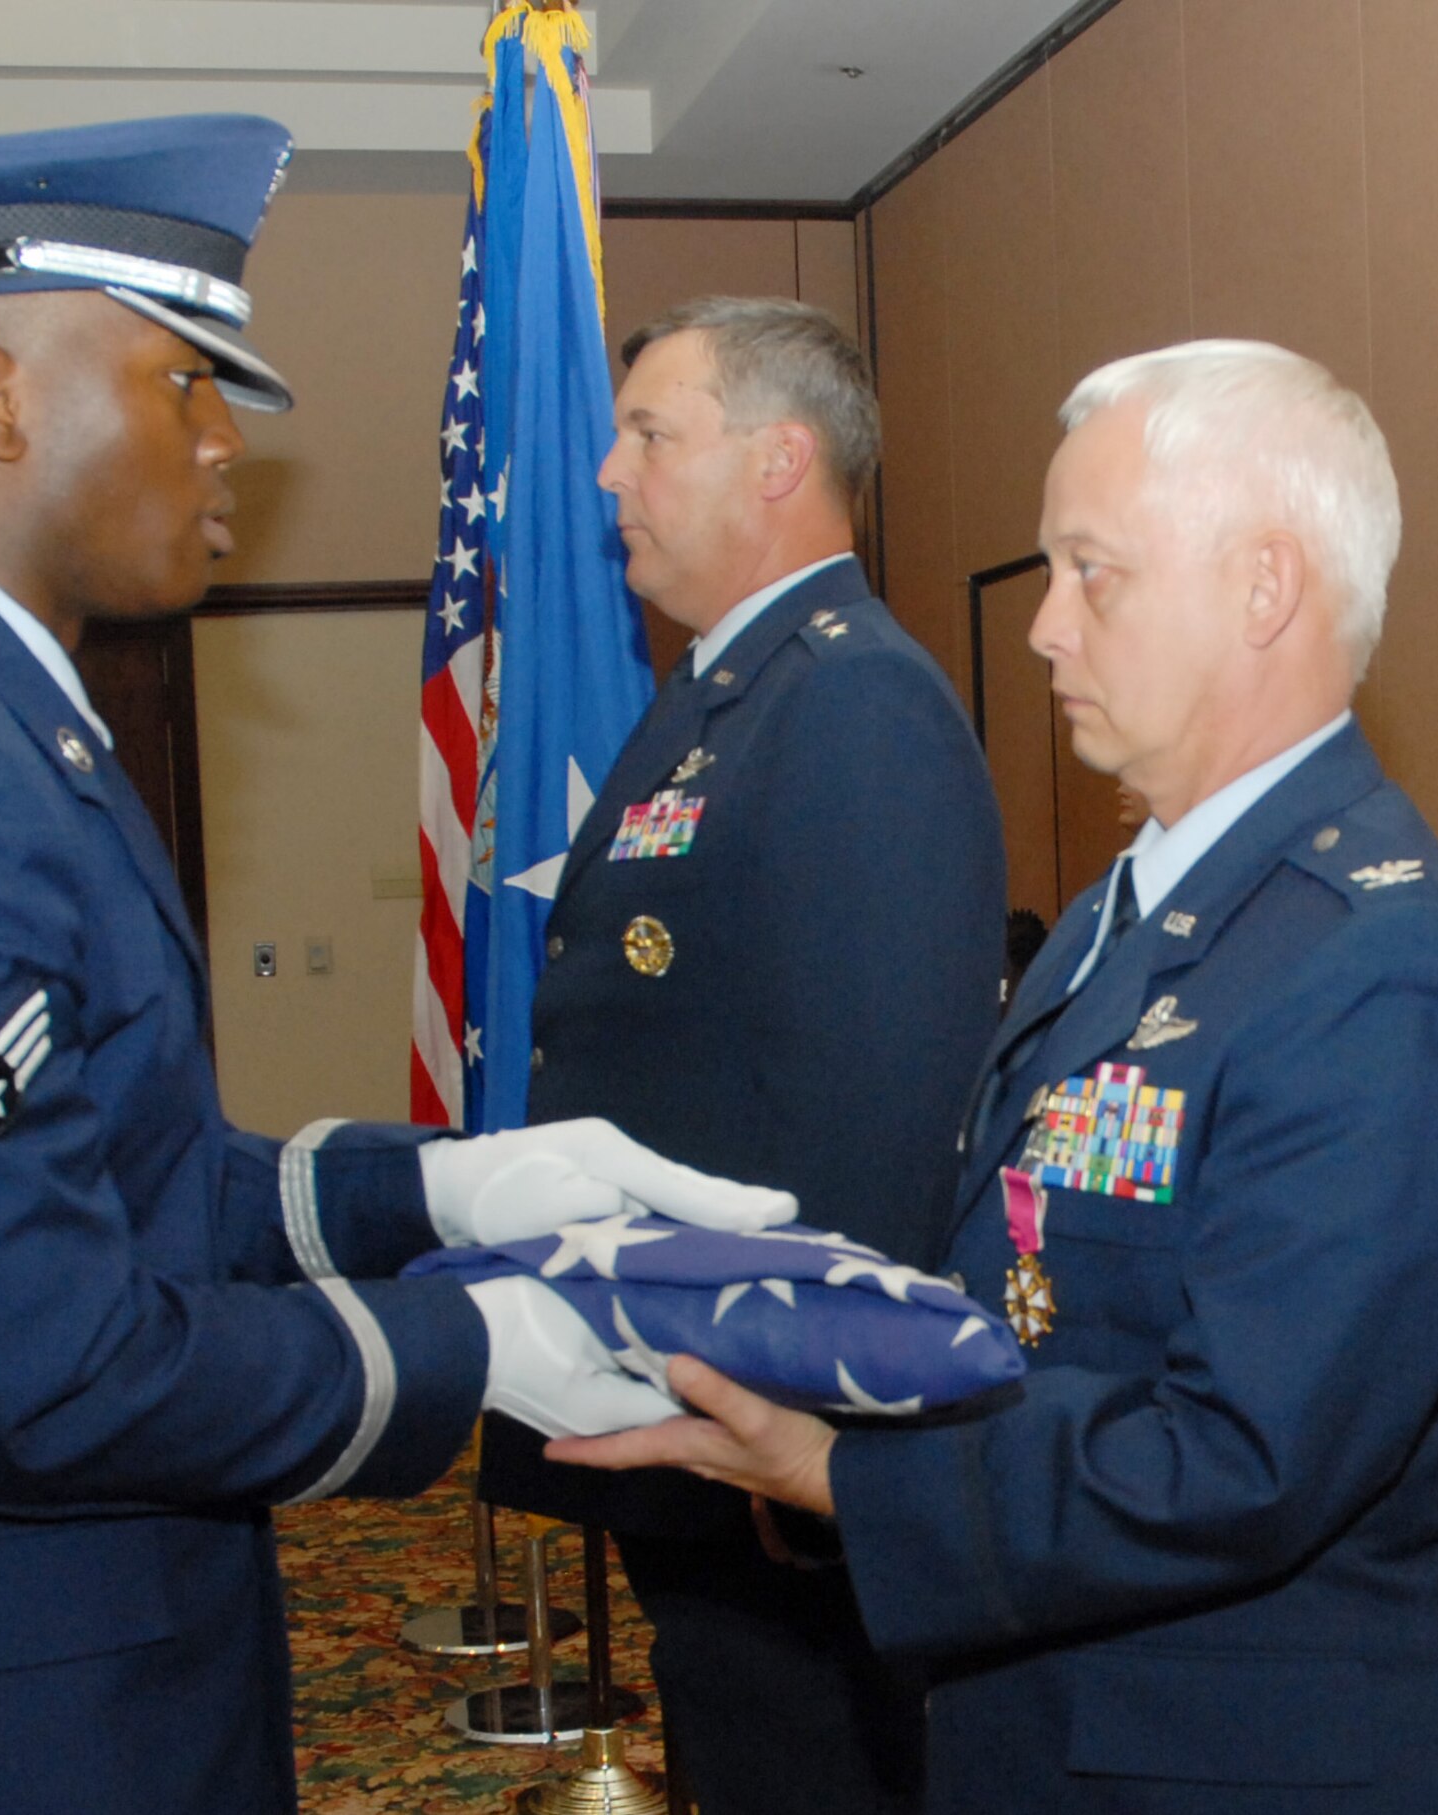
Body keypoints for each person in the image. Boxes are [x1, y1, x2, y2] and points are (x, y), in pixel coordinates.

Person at [0, 116, 795, 1815]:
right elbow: (39, 1371)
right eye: (187, 383)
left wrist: (459, 1191)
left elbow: (143, 1181)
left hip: (66, 1674)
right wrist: (472, 1348)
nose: (224, 448)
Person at [553, 339, 1438, 1813]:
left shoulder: (1388, 973)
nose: (1043, 630)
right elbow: (1032, 1301)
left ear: (1264, 589)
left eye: (1092, 573)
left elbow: (1240, 1459)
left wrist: (848, 1481)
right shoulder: (1126, 913)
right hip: (1066, 1710)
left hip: (1265, 1762)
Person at [483, 296, 1005, 1813]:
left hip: (767, 1439)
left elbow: (879, 1112)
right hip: (692, 1400)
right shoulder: (723, 694)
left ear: (780, 461)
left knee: (813, 1767)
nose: (608, 473)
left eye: (652, 434)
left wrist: (811, 1435)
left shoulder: (852, 706)